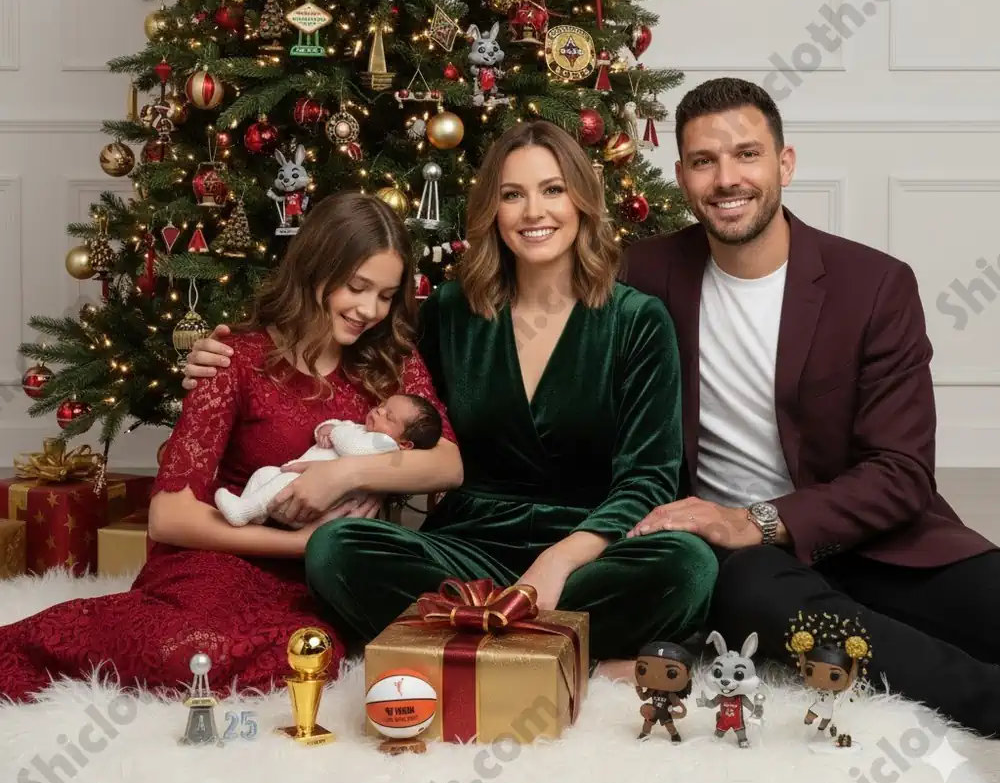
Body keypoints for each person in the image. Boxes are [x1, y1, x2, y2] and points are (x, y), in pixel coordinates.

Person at [183, 121, 719, 666]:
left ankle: (467, 647)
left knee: (688, 564)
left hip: (587, 552)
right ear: (493, 209)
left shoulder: (637, 320)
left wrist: (557, 563)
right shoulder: (451, 311)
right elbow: (356, 365)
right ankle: (559, 649)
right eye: (513, 195)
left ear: (582, 199)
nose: (534, 212)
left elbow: (650, 476)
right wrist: (231, 355)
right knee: (335, 550)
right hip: (466, 550)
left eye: (553, 189)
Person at [620, 76, 1000, 734]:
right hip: (747, 569)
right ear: (681, 176)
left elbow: (901, 471)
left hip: (874, 539)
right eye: (704, 161)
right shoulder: (644, 275)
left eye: (747, 154)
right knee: (754, 597)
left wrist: (761, 519)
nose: (726, 178)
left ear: (784, 164)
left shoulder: (874, 285)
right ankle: (984, 699)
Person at [0, 193, 459, 703]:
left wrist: (344, 477)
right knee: (191, 650)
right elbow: (169, 518)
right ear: (314, 269)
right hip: (226, 554)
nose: (369, 310)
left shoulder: (392, 362)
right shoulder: (235, 359)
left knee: (312, 653)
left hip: (328, 576)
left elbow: (448, 463)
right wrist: (306, 543)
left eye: (386, 296)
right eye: (357, 288)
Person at [215, 394, 442, 527]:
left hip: (316, 503)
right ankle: (252, 512)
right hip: (297, 482)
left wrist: (333, 431)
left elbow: (352, 448)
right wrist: (323, 429)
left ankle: (243, 512)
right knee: (264, 474)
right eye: (382, 406)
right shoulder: (361, 428)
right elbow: (338, 428)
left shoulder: (385, 445)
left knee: (286, 482)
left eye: (389, 416)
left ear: (405, 444)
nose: (379, 411)